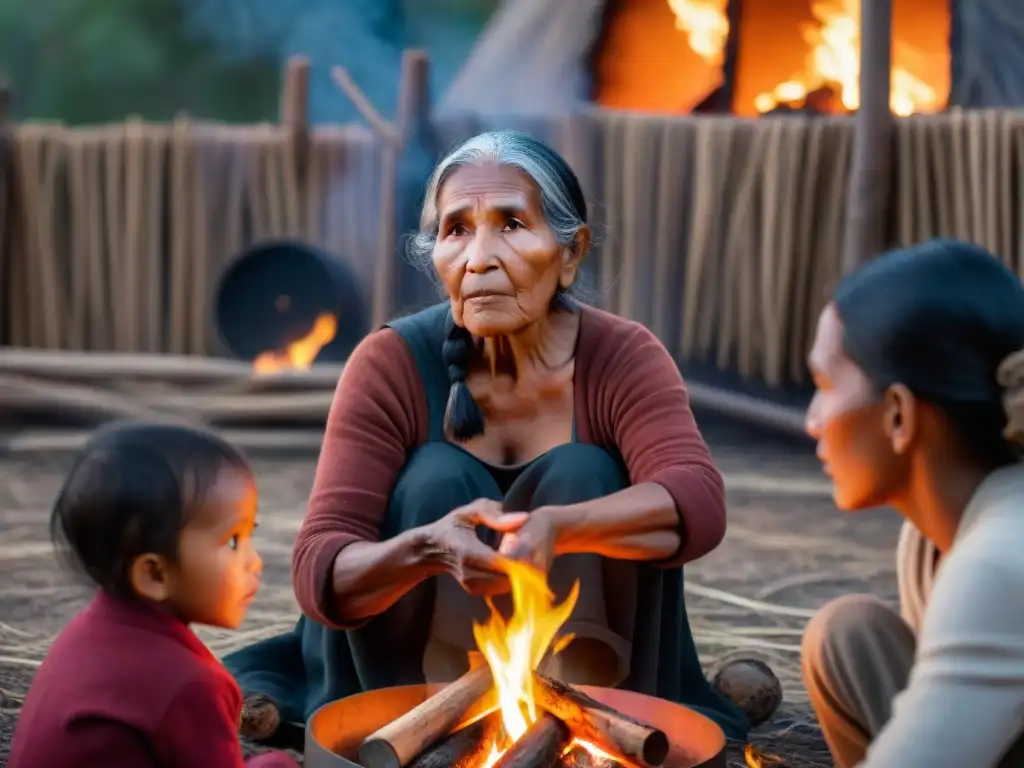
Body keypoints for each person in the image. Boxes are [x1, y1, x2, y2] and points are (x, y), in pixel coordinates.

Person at [225, 129, 755, 743]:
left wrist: (562, 525)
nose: (480, 257)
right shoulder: (390, 363)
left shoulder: (622, 356)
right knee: (437, 478)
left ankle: (567, 722)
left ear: (571, 253)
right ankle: (443, 730)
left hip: (593, 695)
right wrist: (424, 547)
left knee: (584, 475)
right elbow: (321, 567)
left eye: (511, 224)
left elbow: (696, 502)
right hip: (400, 701)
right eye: (456, 230)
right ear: (437, 259)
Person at [801, 238, 1024, 767]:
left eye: (825, 384)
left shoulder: (997, 559)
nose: (811, 420)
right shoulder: (929, 539)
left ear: (899, 414)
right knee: (846, 636)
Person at [8, 422, 298, 768]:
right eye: (233, 541)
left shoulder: (85, 633)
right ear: (154, 574)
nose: (255, 562)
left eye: (251, 534)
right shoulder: (190, 685)